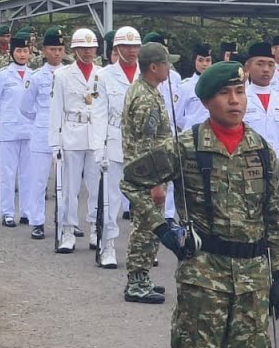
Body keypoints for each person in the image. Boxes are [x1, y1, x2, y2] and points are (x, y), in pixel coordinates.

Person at [121, 60, 279, 348]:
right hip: (204, 274)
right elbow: (133, 180)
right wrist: (162, 229)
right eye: (225, 94)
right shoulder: (186, 147)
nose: (235, 101)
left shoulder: (262, 150)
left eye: (240, 92)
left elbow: (277, 216)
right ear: (208, 100)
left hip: (252, 277)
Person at [119, 42, 181, 298]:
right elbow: (146, 146)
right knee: (145, 229)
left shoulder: (146, 90)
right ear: (153, 67)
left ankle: (141, 276)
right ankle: (137, 282)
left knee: (146, 227)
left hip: (145, 174)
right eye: (166, 63)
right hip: (146, 176)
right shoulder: (145, 98)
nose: (169, 68)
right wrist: (155, 184)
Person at [89, 27, 141, 256]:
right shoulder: (103, 76)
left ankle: (143, 247)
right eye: (126, 46)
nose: (131, 51)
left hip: (141, 144)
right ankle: (108, 245)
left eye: (135, 46)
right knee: (111, 199)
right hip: (115, 139)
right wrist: (98, 148)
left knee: (142, 200)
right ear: (116, 49)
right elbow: (98, 115)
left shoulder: (147, 73)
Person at [50, 28, 102, 252]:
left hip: (96, 135)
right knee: (69, 188)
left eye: (91, 48)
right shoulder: (62, 75)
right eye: (83, 48)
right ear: (75, 49)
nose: (88, 52)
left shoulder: (102, 74)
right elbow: (55, 111)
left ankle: (95, 229)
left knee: (96, 186)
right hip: (71, 133)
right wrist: (55, 143)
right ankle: (68, 231)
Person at [17, 29, 64, 241]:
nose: (56, 53)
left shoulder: (69, 74)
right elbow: (26, 107)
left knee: (66, 181)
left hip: (65, 131)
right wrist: (43, 119)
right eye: (53, 49)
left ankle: (65, 221)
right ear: (44, 51)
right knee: (39, 180)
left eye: (60, 49)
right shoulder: (36, 77)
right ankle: (37, 221)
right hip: (42, 130)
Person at [0, 32, 34, 227]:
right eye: (18, 50)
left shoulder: (34, 75)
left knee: (27, 174)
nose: (22, 54)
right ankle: (7, 213)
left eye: (25, 50)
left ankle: (27, 211)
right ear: (12, 52)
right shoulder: (3, 74)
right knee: (8, 173)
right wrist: (6, 115)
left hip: (29, 130)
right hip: (9, 131)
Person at [242, 41, 279, 155]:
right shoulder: (240, 100)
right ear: (248, 67)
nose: (266, 69)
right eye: (260, 64)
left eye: (270, 65)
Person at [176, 43, 213, 131]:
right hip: (191, 134)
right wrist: (190, 123)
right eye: (200, 60)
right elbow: (177, 116)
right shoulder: (185, 86)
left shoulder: (217, 85)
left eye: (208, 60)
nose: (204, 64)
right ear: (194, 61)